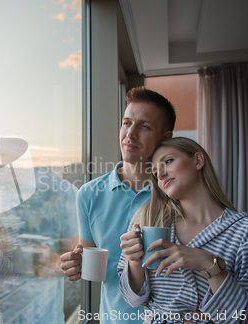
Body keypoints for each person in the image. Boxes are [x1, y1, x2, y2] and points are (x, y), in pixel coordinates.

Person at [118, 137, 248, 324]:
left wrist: (210, 264)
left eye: (168, 161)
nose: (160, 175)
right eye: (154, 173)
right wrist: (134, 262)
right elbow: (132, 299)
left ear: (198, 161)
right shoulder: (148, 221)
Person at [60, 87, 175, 323]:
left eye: (144, 126)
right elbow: (90, 258)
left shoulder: (176, 194)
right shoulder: (88, 195)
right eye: (126, 123)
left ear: (165, 138)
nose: (129, 134)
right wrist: (76, 265)